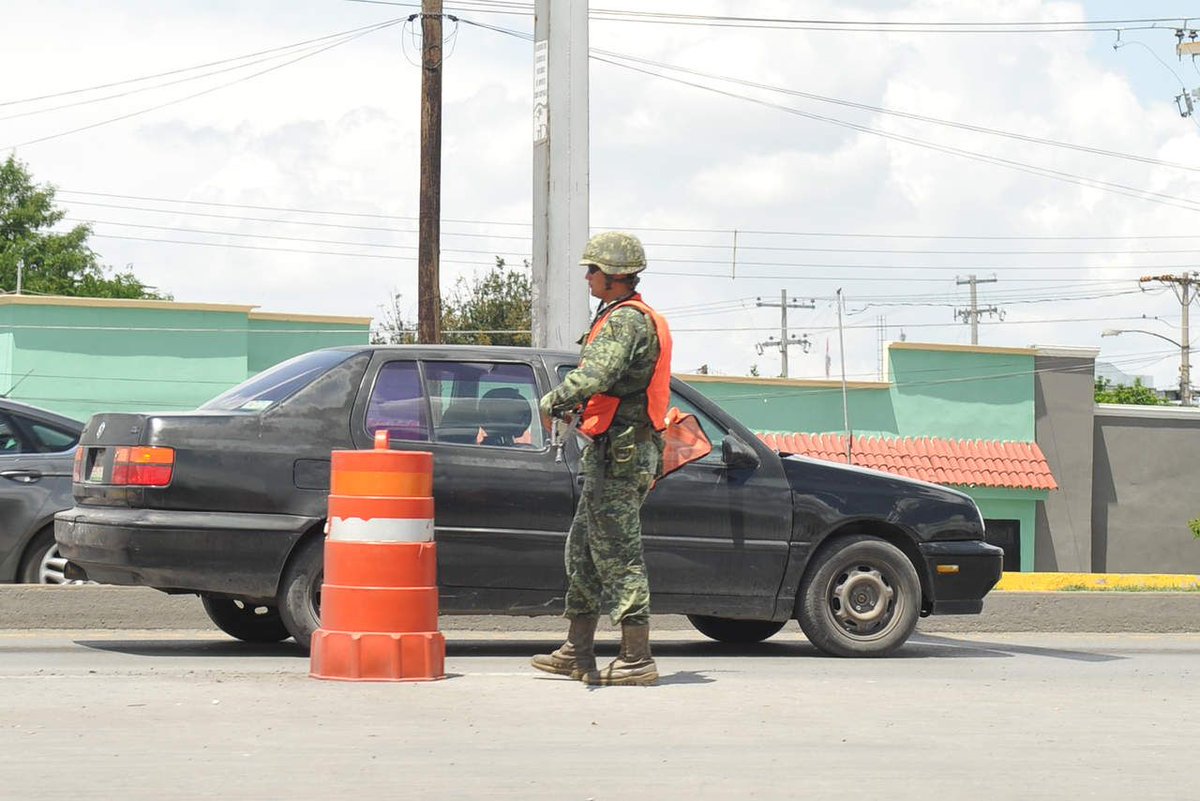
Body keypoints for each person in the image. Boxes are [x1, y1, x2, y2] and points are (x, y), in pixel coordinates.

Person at [531, 231, 673, 686]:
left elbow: (599, 372)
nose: (587, 276)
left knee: (619, 554)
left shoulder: (625, 321)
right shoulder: (619, 315)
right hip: (616, 451)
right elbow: (613, 382)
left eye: (592, 270)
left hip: (622, 454)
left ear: (613, 277)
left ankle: (636, 659)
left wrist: (557, 398)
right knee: (584, 553)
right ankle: (578, 651)